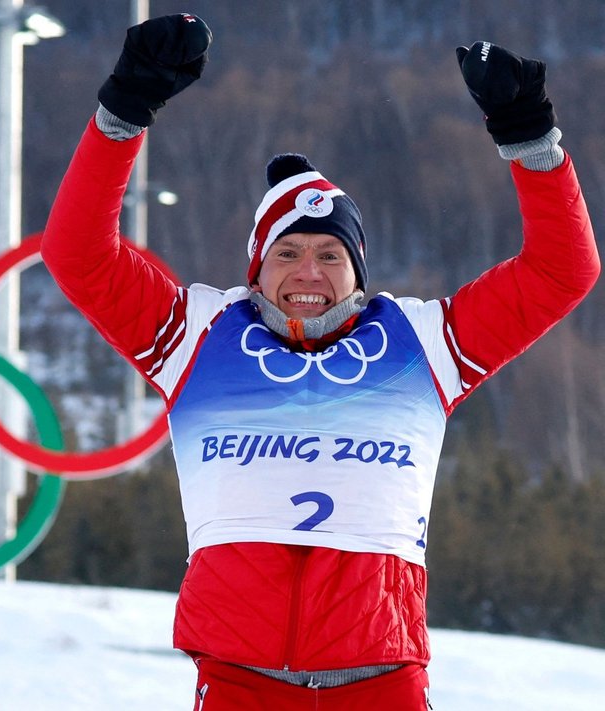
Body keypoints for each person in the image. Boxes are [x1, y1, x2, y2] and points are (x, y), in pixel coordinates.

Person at [41, 13, 599, 710]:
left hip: (382, 683)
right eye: (288, 251)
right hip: (240, 681)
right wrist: (124, 111)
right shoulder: (196, 333)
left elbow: (561, 270)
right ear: (256, 268)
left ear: (359, 273)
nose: (309, 270)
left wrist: (531, 139)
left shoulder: (423, 343)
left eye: (331, 254)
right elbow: (77, 253)